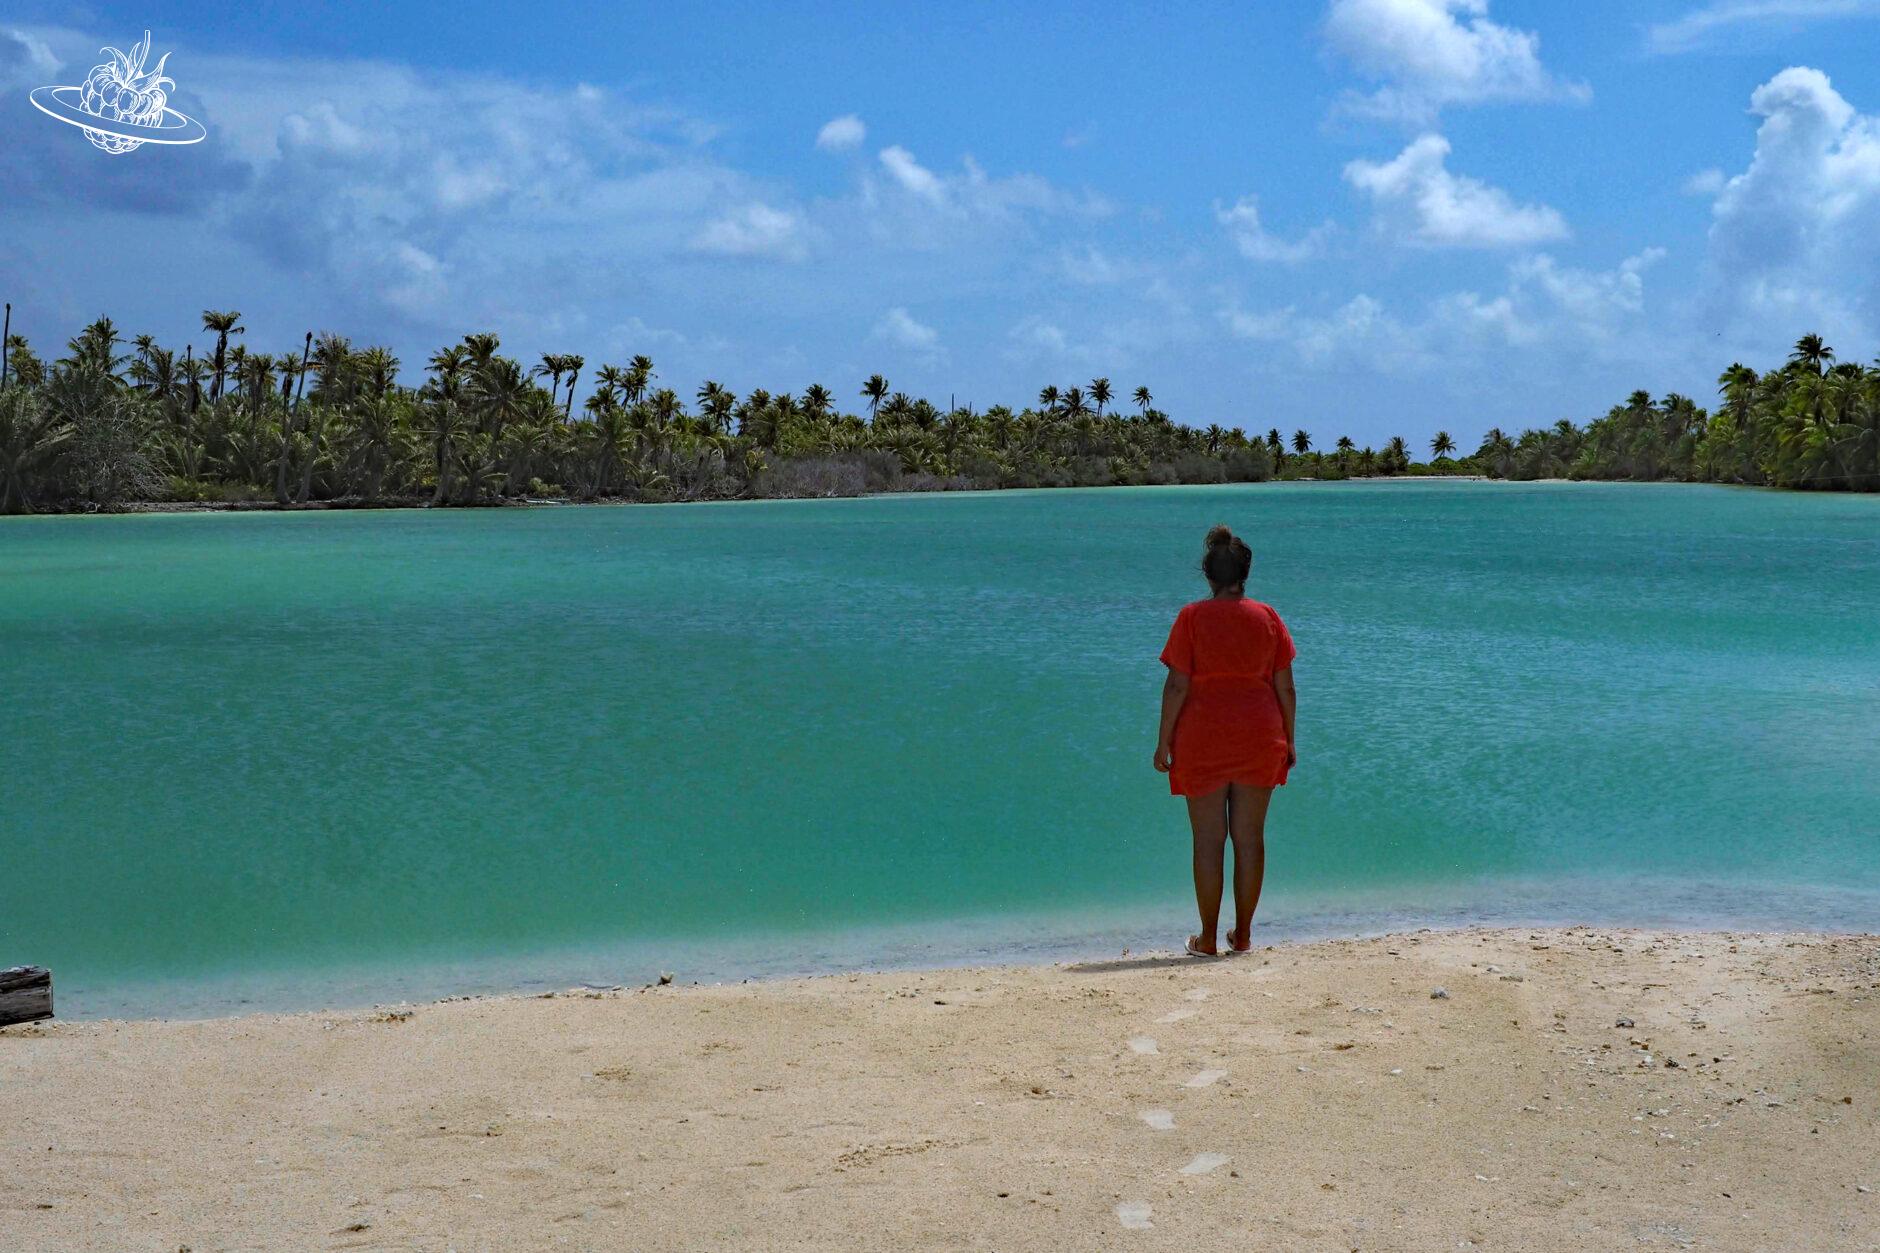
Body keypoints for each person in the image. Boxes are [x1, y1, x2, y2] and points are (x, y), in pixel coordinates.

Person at [1153, 524, 1297, 957]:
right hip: (1260, 738)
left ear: (1208, 574)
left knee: (1208, 842)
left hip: (1202, 741)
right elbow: (1286, 687)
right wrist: (1289, 739)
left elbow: (1177, 685)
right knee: (1250, 840)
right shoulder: (1268, 618)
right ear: (1244, 574)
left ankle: (1208, 938)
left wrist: (1163, 741)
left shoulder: (1191, 618)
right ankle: (1244, 936)